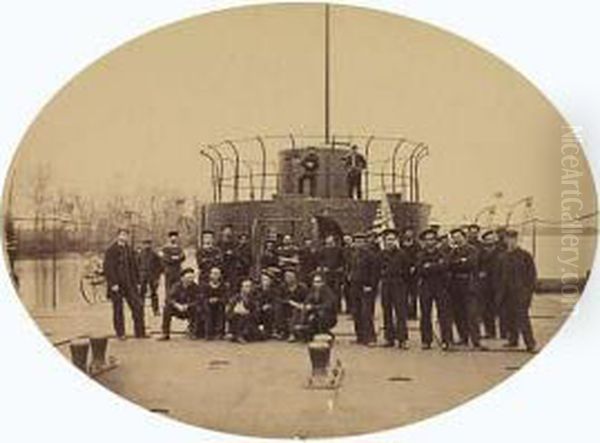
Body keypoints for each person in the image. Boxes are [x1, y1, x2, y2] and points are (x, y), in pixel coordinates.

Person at [496, 229, 537, 353]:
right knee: (509, 318)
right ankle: (512, 340)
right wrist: (498, 293)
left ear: (516, 239)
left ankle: (530, 342)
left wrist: (528, 292)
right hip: (506, 293)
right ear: (505, 240)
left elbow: (532, 275)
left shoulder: (525, 256)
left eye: (513, 238)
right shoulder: (502, 257)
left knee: (522, 318)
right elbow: (497, 276)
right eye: (508, 239)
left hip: (520, 293)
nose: (511, 241)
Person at [103, 228, 146, 339]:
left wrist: (137, 282)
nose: (124, 237)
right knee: (118, 310)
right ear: (117, 236)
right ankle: (120, 333)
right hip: (117, 285)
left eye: (126, 235)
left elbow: (135, 267)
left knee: (137, 306)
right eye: (122, 235)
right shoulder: (111, 250)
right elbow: (108, 268)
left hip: (130, 284)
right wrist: (113, 284)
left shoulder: (130, 250)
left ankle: (140, 332)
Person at [448, 228, 486, 350]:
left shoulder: (472, 249)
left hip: (469, 284)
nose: (456, 239)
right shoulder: (453, 251)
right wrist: (460, 261)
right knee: (458, 313)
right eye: (454, 237)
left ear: (464, 237)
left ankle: (476, 340)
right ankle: (463, 338)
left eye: (458, 237)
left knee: (472, 314)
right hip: (456, 286)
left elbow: (471, 263)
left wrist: (458, 263)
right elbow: (448, 264)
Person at [417, 229, 453, 350]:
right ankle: (426, 340)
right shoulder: (420, 255)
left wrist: (429, 266)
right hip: (426, 286)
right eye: (427, 239)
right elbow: (419, 270)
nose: (429, 242)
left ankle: (446, 340)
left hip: (440, 285)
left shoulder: (442, 253)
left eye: (432, 239)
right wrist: (436, 265)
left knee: (444, 314)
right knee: (425, 314)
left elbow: (445, 266)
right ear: (424, 241)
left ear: (436, 241)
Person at [347, 233, 380, 346]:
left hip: (366, 286)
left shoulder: (371, 255)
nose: (358, 244)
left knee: (366, 312)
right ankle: (360, 337)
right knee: (356, 312)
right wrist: (349, 276)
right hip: (354, 286)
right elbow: (349, 267)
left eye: (361, 241)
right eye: (356, 241)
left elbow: (375, 272)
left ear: (365, 242)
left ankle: (370, 337)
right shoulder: (352, 255)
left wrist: (370, 285)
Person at [379, 229, 410, 349]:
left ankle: (402, 339)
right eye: (388, 240)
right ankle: (389, 338)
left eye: (392, 239)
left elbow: (407, 271)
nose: (390, 242)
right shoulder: (381, 255)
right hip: (386, 283)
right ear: (384, 241)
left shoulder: (402, 254)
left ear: (396, 241)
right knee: (386, 311)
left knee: (400, 312)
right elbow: (377, 269)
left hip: (399, 284)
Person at [289, 273, 337, 342]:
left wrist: (313, 307)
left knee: (319, 314)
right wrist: (304, 306)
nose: (316, 284)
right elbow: (307, 301)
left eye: (318, 282)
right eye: (314, 282)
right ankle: (296, 329)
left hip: (327, 316)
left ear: (323, 283)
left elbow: (328, 305)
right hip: (313, 312)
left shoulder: (327, 292)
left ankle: (318, 331)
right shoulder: (312, 291)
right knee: (298, 310)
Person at [158, 267, 203, 340]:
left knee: (198, 309)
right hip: (178, 308)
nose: (190, 280)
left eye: (192, 278)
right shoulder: (176, 286)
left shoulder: (196, 287)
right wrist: (177, 305)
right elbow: (169, 299)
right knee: (167, 309)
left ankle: (194, 332)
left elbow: (199, 300)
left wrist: (188, 306)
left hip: (189, 309)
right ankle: (165, 333)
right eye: (188, 278)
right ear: (182, 278)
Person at [478, 230, 502, 339]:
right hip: (485, 285)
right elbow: (478, 265)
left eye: (492, 239)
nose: (490, 241)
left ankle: (505, 332)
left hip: (499, 284)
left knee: (502, 310)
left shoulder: (501, 251)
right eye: (487, 239)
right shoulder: (482, 252)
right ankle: (490, 331)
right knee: (486, 310)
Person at [277, 269, 309, 340]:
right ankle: (282, 331)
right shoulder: (282, 287)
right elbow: (279, 298)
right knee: (278, 308)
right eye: (286, 276)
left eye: (290, 276)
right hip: (286, 306)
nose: (287, 278)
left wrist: (299, 304)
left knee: (296, 311)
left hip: (299, 307)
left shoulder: (302, 287)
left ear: (295, 277)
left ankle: (292, 333)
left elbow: (307, 299)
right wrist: (289, 302)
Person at [317, 234, 345, 313]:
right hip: (327, 273)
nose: (329, 243)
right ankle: (328, 307)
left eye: (331, 241)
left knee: (337, 291)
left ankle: (337, 307)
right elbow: (320, 260)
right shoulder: (323, 250)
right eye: (328, 241)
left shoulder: (339, 250)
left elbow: (343, 260)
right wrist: (323, 267)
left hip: (336, 273)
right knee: (327, 290)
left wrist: (340, 267)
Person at [226, 278, 258, 343]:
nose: (248, 288)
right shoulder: (235, 298)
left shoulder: (253, 299)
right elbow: (228, 313)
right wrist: (236, 311)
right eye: (246, 286)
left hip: (249, 322)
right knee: (240, 316)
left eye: (250, 286)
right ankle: (238, 335)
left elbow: (256, 313)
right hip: (236, 321)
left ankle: (236, 336)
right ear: (241, 288)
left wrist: (247, 312)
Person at [201, 267, 228, 340]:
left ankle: (219, 332)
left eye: (217, 274)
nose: (215, 276)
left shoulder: (223, 286)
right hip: (207, 305)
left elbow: (226, 297)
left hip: (219, 304)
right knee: (207, 309)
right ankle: (208, 333)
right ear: (210, 275)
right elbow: (202, 297)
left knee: (221, 308)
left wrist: (218, 300)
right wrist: (209, 300)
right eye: (214, 273)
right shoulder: (205, 285)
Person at [138, 239, 163, 316]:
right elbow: (137, 264)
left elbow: (160, 266)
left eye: (148, 244)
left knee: (154, 293)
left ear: (151, 245)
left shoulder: (154, 254)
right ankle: (140, 310)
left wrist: (157, 277)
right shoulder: (140, 254)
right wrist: (138, 276)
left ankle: (156, 310)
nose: (147, 246)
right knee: (141, 293)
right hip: (143, 275)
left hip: (152, 275)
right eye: (145, 244)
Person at [400, 227, 420, 320]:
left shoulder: (416, 245)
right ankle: (405, 312)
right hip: (403, 273)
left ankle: (413, 313)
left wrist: (415, 266)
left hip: (413, 273)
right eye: (407, 232)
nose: (409, 234)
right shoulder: (401, 244)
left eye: (410, 232)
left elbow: (419, 257)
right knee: (403, 293)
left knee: (413, 294)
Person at [255, 271, 279, 338]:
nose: (265, 282)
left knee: (271, 310)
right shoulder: (257, 289)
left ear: (271, 281)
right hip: (258, 307)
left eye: (267, 280)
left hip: (270, 308)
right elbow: (255, 299)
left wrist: (269, 305)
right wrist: (260, 306)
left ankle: (271, 330)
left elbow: (276, 300)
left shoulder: (274, 290)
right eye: (263, 280)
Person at [161, 230, 186, 295]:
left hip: (177, 270)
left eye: (175, 237)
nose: (173, 238)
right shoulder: (165, 248)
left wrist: (176, 258)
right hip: (169, 270)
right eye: (172, 237)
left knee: (178, 287)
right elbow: (165, 258)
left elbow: (183, 257)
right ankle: (168, 302)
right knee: (168, 287)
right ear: (169, 238)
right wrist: (175, 258)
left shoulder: (179, 248)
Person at [218, 225, 242, 289]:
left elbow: (238, 255)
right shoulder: (218, 244)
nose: (228, 233)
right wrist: (224, 254)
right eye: (226, 231)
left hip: (232, 270)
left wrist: (233, 254)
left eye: (230, 231)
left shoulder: (234, 244)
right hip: (221, 269)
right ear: (222, 232)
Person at [340, 234, 355, 314]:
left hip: (353, 271)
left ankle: (354, 309)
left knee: (353, 292)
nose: (346, 241)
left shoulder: (354, 249)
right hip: (345, 272)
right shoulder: (344, 249)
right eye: (345, 240)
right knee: (346, 292)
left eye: (348, 239)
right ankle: (348, 308)